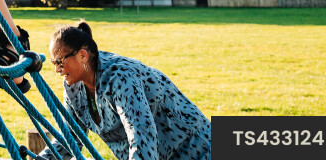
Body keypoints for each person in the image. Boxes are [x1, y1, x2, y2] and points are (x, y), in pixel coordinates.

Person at [45, 21, 211, 160]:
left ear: (82, 55)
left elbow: (141, 134)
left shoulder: (120, 77)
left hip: (198, 150)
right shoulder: (73, 88)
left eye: (60, 62)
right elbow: (70, 139)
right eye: (54, 63)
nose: (57, 70)